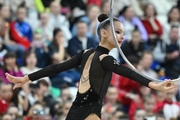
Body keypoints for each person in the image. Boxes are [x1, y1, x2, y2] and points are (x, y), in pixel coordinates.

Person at [5, 14, 177, 120]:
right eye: (118, 32)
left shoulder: (86, 53)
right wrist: (155, 85)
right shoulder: (105, 59)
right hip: (90, 112)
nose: (122, 36)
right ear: (104, 33)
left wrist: (26, 78)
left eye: (123, 33)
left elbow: (55, 68)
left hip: (75, 110)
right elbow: (128, 72)